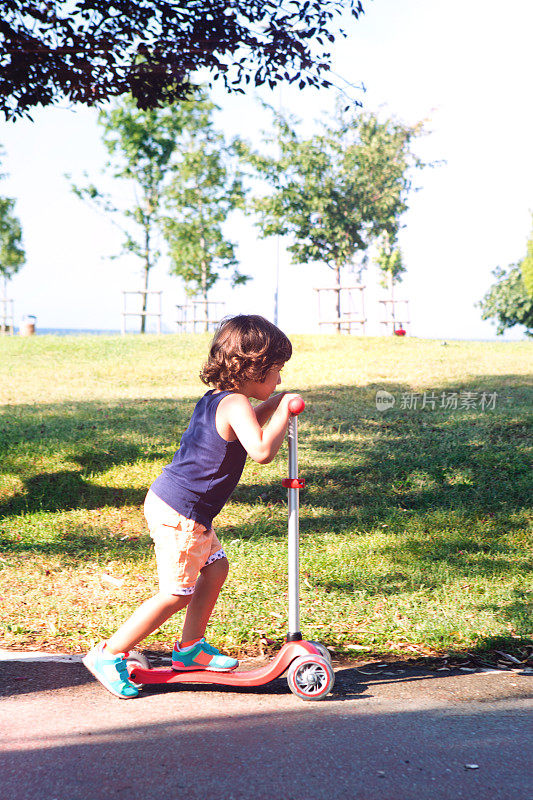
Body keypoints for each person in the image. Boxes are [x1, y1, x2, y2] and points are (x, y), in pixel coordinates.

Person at [83, 314, 300, 698]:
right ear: (253, 367)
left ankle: (190, 650)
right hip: (180, 512)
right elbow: (262, 450)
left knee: (215, 570)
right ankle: (108, 652)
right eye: (276, 372)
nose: (279, 380)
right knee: (177, 592)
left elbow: (247, 427)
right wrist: (283, 411)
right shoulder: (234, 403)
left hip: (186, 508)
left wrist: (276, 403)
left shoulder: (223, 399)